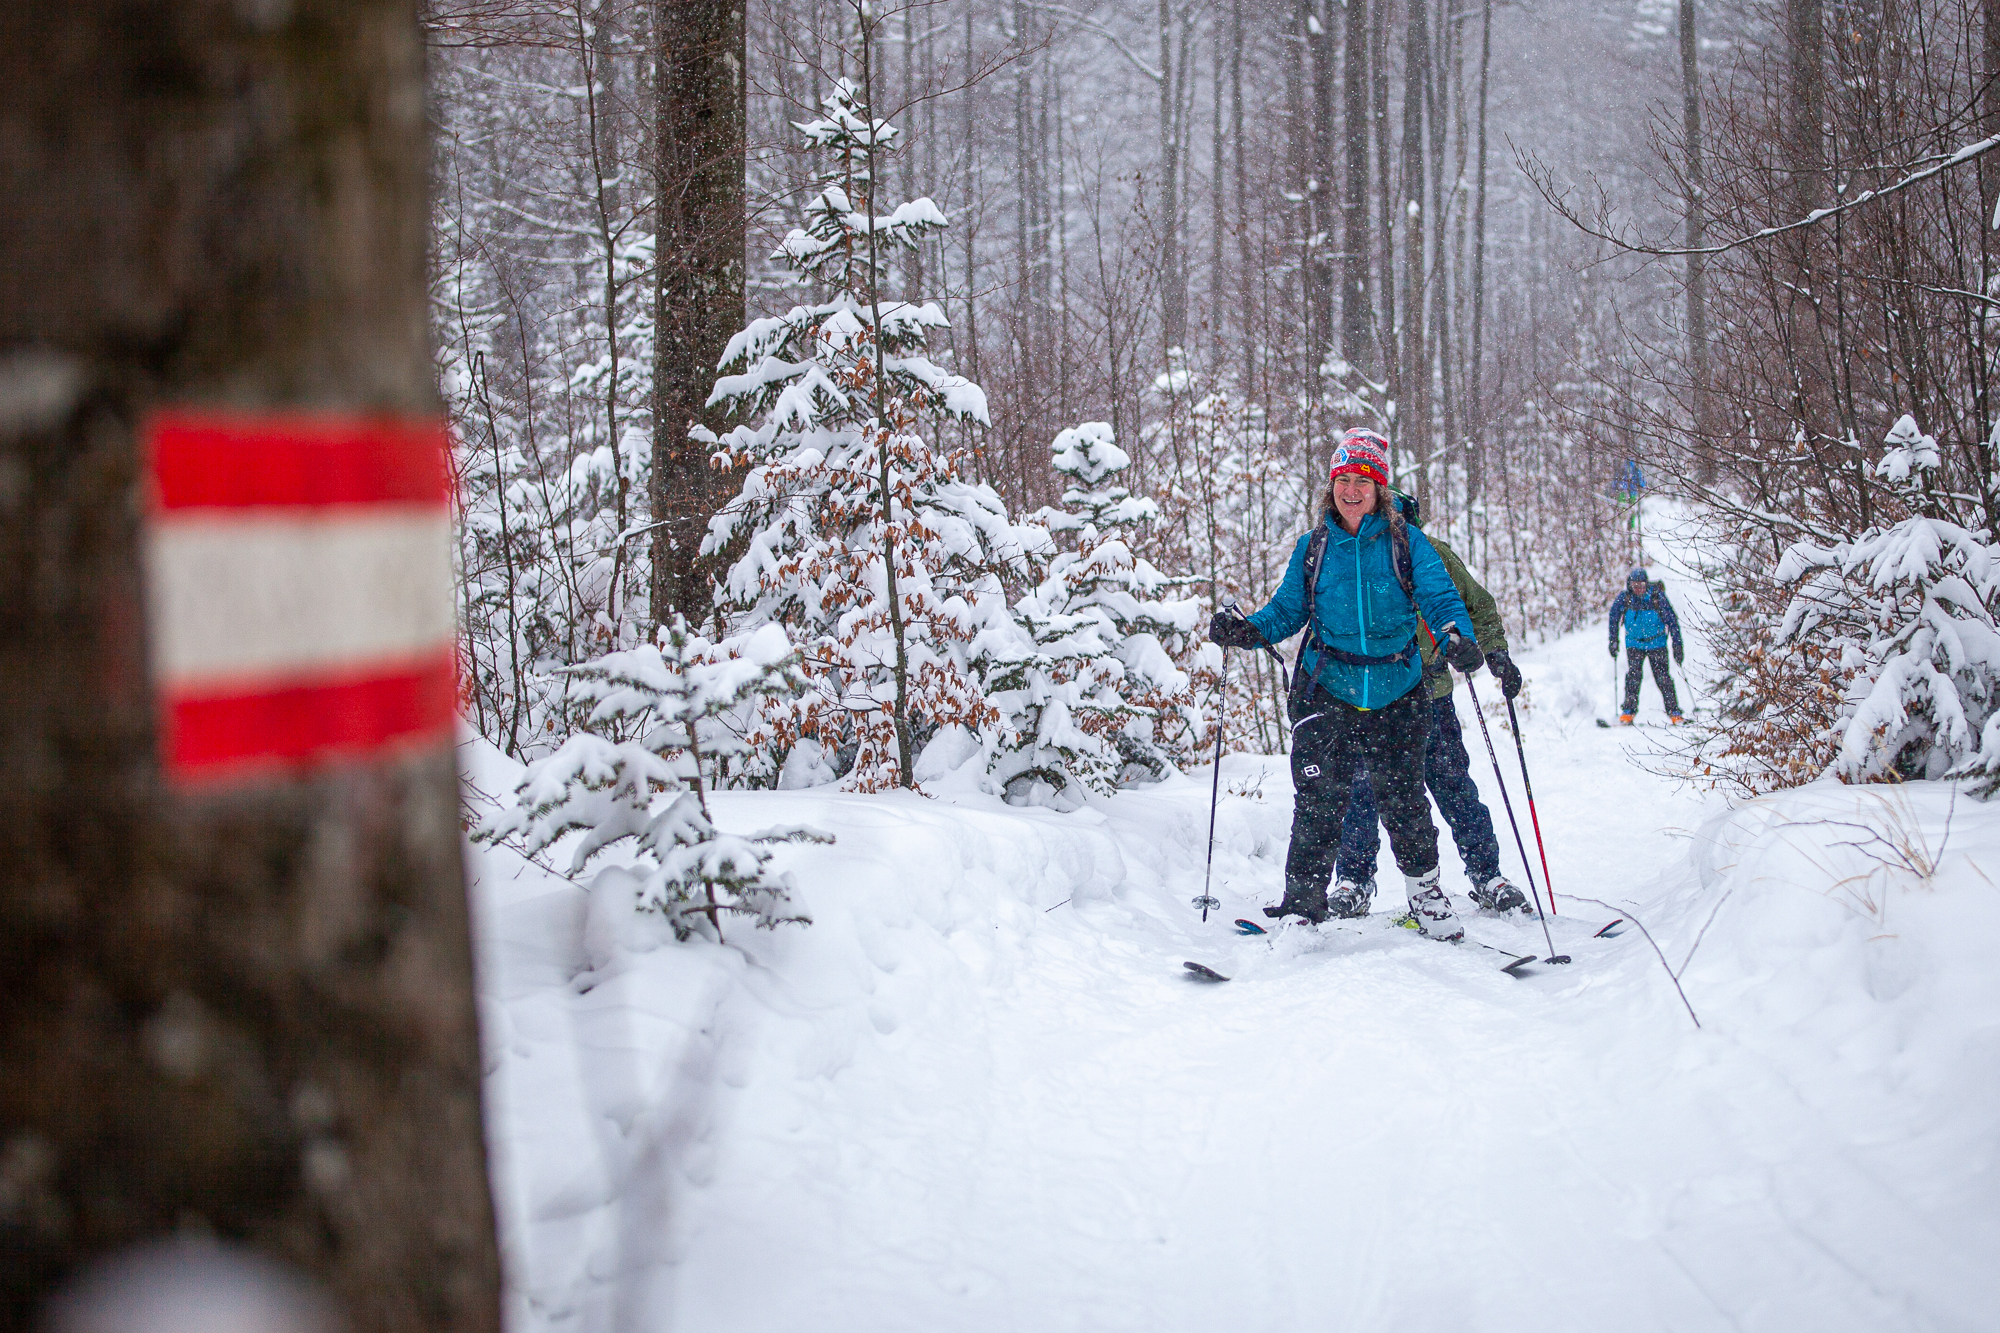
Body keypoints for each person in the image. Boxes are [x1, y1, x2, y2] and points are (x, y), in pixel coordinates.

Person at [1208, 428, 1485, 940]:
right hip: (1327, 688)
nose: (1351, 490)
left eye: (1362, 479)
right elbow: (1287, 611)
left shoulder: (1407, 543)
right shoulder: (1313, 547)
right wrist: (1247, 631)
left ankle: (1425, 898)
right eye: (1342, 479)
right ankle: (1302, 909)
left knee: (1404, 801)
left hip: (1396, 691)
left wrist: (1456, 638)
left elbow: (1442, 600)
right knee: (1318, 801)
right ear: (1330, 485)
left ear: (1380, 487)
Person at [1330, 491, 1531, 919]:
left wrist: (1494, 653)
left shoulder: (1434, 555)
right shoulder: (1352, 558)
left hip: (1432, 695)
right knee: (1363, 793)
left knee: (1452, 787)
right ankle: (1352, 881)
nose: (1395, 531)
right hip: (1373, 701)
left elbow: (1477, 607)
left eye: (1402, 522)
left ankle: (1487, 874)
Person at [1608, 567, 1683, 724]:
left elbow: (1672, 621)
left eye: (1641, 585)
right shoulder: (1625, 598)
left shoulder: (1657, 597)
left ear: (1647, 584)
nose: (1638, 589)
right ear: (1630, 585)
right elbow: (1613, 617)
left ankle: (1674, 712)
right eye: (1635, 585)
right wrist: (1613, 640)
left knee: (1663, 678)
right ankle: (1628, 712)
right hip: (1634, 643)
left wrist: (1677, 644)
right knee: (1633, 677)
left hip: (1657, 643)